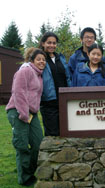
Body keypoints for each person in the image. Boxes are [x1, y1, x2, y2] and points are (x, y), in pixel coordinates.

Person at [6, 48, 46, 186]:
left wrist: (32, 112)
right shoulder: (25, 70)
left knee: (38, 143)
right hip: (17, 111)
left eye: (43, 59)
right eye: (38, 59)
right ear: (32, 60)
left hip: (32, 114)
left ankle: (29, 170)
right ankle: (24, 178)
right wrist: (23, 113)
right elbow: (18, 91)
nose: (42, 61)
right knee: (22, 144)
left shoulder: (39, 75)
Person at [39, 32, 71, 136]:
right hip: (49, 102)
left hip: (64, 100)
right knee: (52, 133)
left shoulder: (60, 58)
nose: (52, 45)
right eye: (49, 43)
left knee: (65, 131)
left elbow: (67, 77)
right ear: (43, 43)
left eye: (54, 43)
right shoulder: (40, 59)